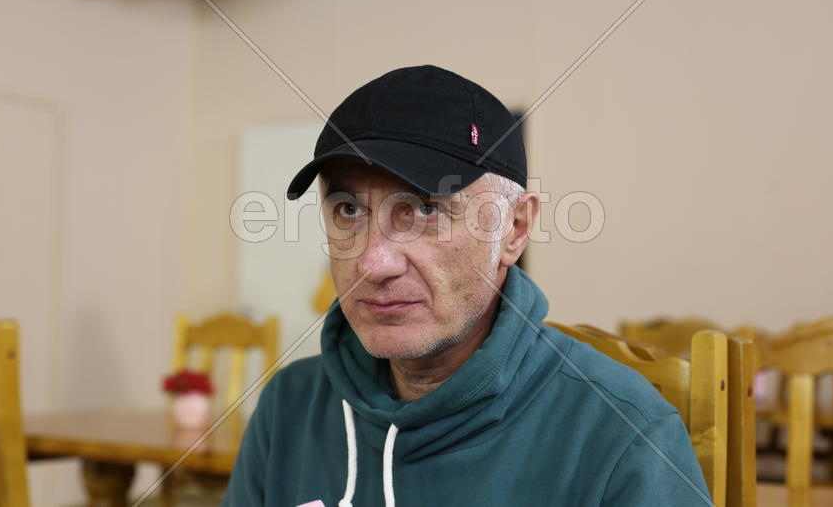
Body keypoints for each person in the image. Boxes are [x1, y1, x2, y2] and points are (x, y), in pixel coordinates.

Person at [223, 65, 711, 506]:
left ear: (515, 229)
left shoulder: (622, 432)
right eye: (349, 210)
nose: (373, 262)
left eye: (426, 209)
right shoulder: (289, 405)